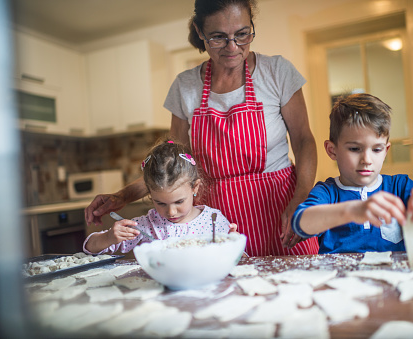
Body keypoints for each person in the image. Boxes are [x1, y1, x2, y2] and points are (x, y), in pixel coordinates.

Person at [85, 0, 319, 257]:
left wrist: (301, 197)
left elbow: (304, 140)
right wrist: (121, 197)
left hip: (278, 207)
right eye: (218, 37)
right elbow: (171, 165)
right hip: (214, 221)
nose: (233, 47)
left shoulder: (277, 72)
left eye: (242, 34)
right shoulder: (184, 86)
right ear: (200, 32)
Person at [291, 93, 413, 254]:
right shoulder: (327, 192)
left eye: (377, 149)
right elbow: (300, 222)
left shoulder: (399, 187)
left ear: (386, 150)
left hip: (394, 279)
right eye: (355, 149)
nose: (367, 159)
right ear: (332, 150)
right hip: (343, 282)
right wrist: (352, 211)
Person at [83, 140, 237, 255]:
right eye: (160, 203)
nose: (171, 212)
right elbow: (90, 247)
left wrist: (235, 245)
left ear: (194, 187)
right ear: (149, 192)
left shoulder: (213, 220)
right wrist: (109, 237)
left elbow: (237, 260)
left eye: (179, 201)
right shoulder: (147, 225)